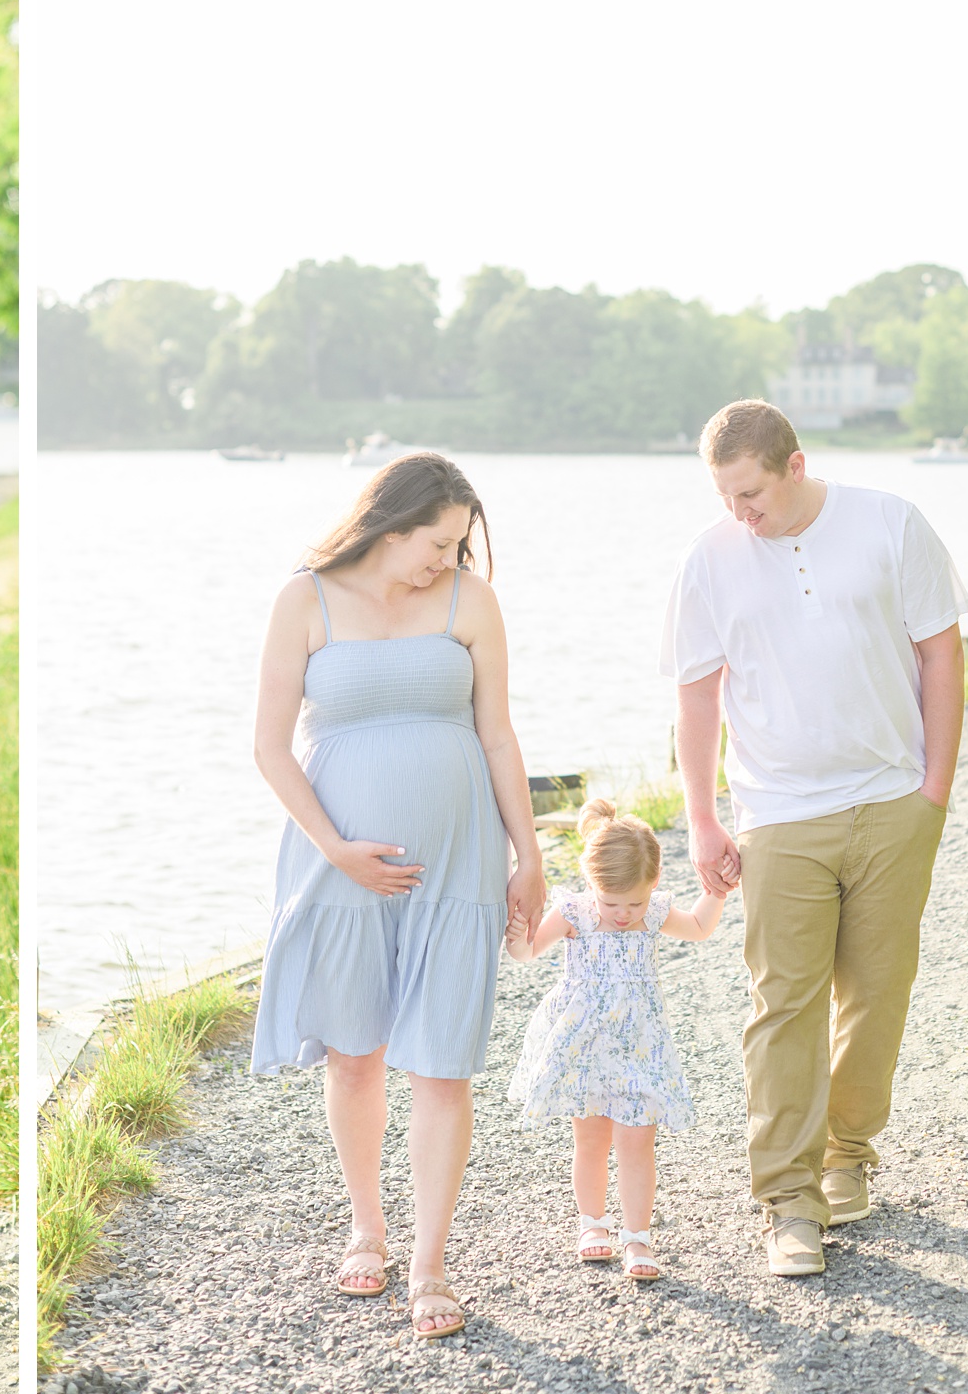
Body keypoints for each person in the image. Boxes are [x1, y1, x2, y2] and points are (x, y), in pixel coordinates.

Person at [664, 399, 967, 1278]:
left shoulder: (890, 522)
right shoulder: (710, 560)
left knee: (877, 995)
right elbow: (695, 695)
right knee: (783, 1006)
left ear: (794, 467)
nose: (739, 515)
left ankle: (847, 1152)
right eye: (725, 497)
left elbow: (942, 654)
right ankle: (787, 1202)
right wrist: (702, 817)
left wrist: (933, 791)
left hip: (891, 801)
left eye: (750, 494)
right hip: (779, 813)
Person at [250, 452, 546, 1341]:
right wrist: (337, 849)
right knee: (354, 1054)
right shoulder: (304, 599)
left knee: (443, 1063)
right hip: (341, 868)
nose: (447, 561)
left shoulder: (470, 603)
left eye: (460, 545)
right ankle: (366, 1228)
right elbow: (269, 748)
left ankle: (429, 1264)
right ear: (391, 519)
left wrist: (528, 854)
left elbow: (497, 736)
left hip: (458, 866)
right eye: (440, 542)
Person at [503, 799, 728, 1281]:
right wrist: (518, 929)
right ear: (591, 885)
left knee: (637, 1140)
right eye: (612, 903)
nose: (624, 914)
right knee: (590, 1138)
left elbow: (701, 927)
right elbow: (526, 953)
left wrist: (719, 889)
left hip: (640, 1047)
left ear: (654, 885)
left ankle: (637, 1237)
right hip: (586, 1047)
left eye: (635, 902)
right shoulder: (574, 914)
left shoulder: (655, 914)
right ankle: (592, 1225)